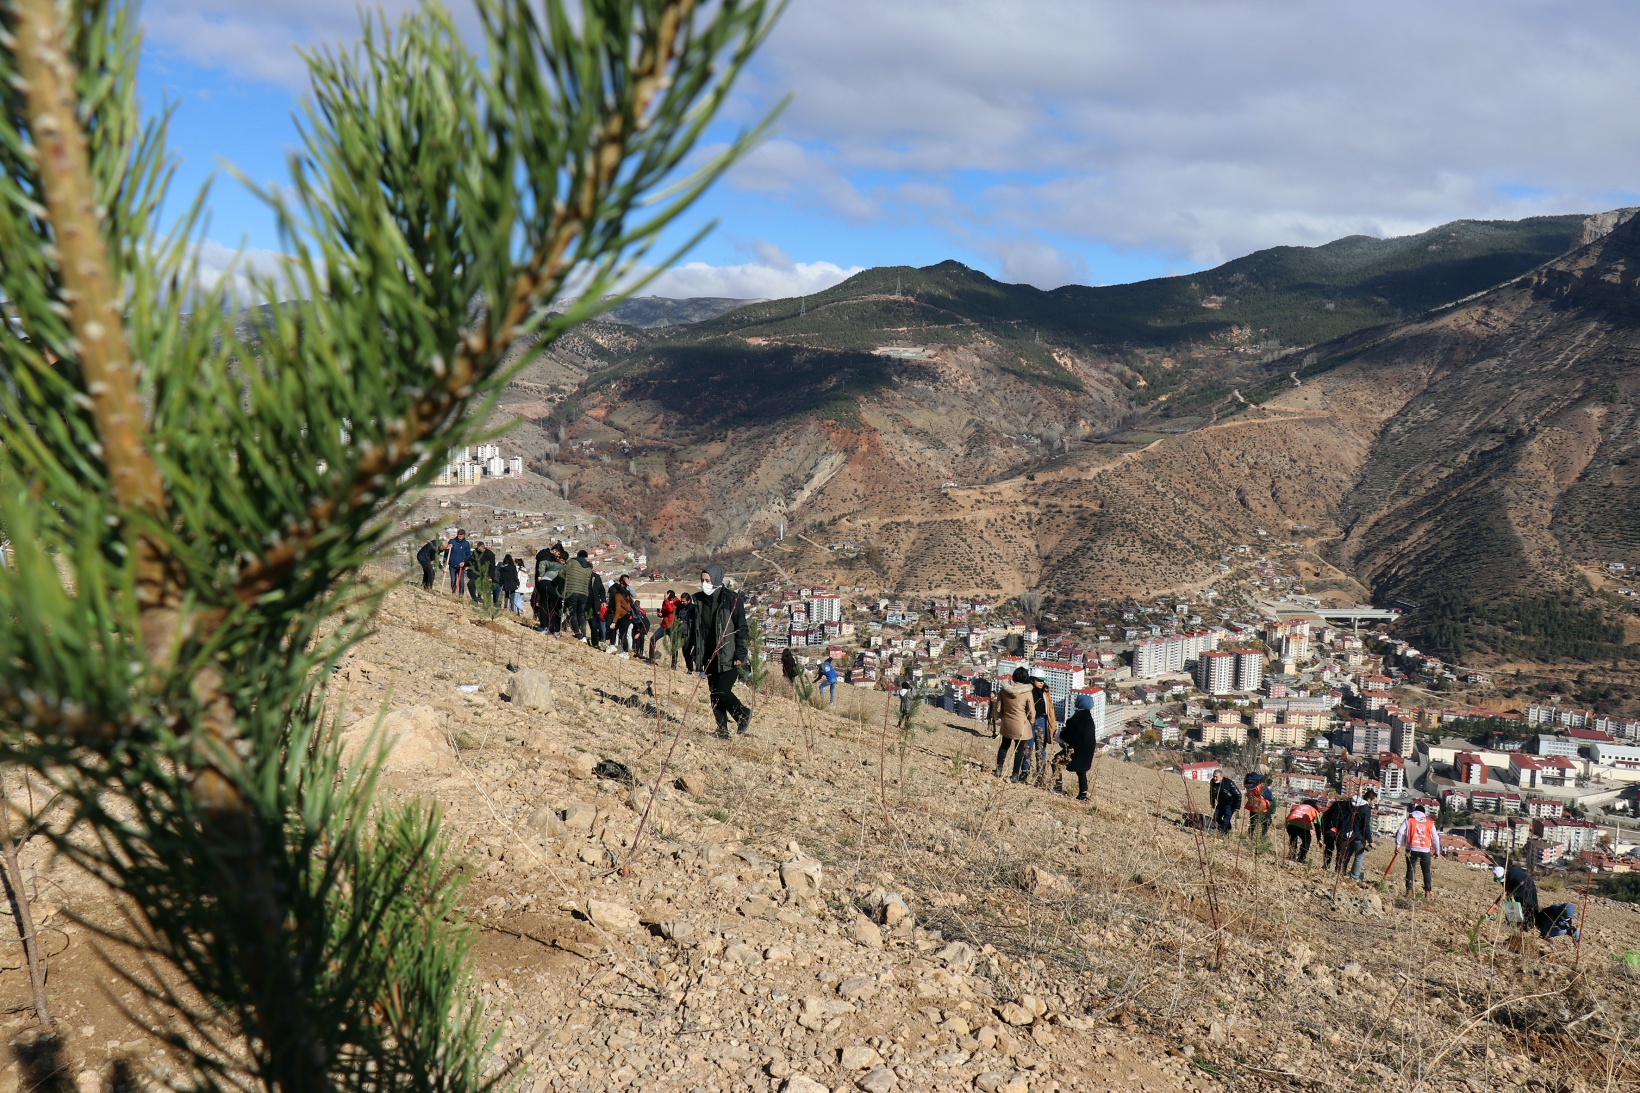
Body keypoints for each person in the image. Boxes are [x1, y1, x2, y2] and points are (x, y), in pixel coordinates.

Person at [690, 563, 751, 737]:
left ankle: (742, 714)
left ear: (717, 579)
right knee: (714, 693)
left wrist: (740, 653)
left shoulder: (732, 600)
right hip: (710, 655)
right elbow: (697, 630)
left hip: (730, 654)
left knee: (723, 691)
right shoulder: (699, 601)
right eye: (702, 580)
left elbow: (742, 629)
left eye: (707, 580)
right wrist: (696, 651)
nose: (704, 584)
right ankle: (722, 730)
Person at [989, 667, 1035, 778]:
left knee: (1004, 746)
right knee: (1019, 750)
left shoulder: (1004, 689)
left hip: (1007, 722)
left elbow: (998, 708)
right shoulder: (1027, 692)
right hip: (1022, 725)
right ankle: (1015, 775)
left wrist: (1003, 717)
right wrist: (1031, 722)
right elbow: (1031, 711)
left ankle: (999, 769)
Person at [1056, 692, 1099, 800]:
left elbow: (1068, 735)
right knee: (1081, 771)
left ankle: (1058, 786)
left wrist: (1061, 735)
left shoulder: (1076, 718)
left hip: (1076, 751)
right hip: (1087, 752)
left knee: (1056, 761)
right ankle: (1083, 794)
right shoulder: (1089, 719)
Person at [1395, 804, 1441, 899]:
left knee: (1410, 869)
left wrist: (1398, 845)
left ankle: (1409, 891)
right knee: (1426, 871)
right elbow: (1435, 838)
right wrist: (1437, 851)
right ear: (1423, 813)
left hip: (1411, 848)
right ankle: (1427, 894)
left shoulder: (1409, 820)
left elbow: (1400, 831)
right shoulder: (1430, 823)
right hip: (1425, 849)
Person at [1021, 669, 1057, 784]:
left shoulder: (1045, 692)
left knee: (1041, 749)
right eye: (1039, 680)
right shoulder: (1027, 691)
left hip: (1042, 720)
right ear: (1032, 680)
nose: (1042, 683)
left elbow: (1050, 708)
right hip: (1029, 722)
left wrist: (1052, 724)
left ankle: (1040, 775)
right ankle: (1025, 772)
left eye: (1043, 680)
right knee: (1028, 748)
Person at [1340, 789, 1377, 881]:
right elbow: (1366, 826)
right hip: (1358, 836)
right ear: (1369, 799)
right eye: (1374, 801)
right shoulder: (1366, 809)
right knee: (1359, 855)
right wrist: (1370, 841)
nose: (1374, 803)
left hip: (1349, 833)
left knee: (1347, 854)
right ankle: (1355, 876)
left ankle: (1341, 872)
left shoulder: (1355, 806)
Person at [560, 548, 594, 640]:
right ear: (586, 557)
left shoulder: (571, 562)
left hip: (572, 591)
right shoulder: (589, 568)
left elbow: (561, 573)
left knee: (573, 614)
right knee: (581, 614)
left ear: (577, 555)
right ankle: (584, 635)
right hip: (583, 593)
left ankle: (577, 633)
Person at [1284, 797, 1321, 864]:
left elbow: (1290, 815)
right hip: (1302, 825)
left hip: (1290, 824)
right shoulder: (1315, 811)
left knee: (1293, 839)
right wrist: (1319, 839)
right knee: (1307, 841)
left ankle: (1291, 855)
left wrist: (1286, 825)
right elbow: (1317, 826)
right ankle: (1301, 857)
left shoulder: (1297, 806)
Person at [1319, 796, 1351, 871]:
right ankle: (1338, 869)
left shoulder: (1336, 804)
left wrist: (1324, 830)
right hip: (1341, 831)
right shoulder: (1350, 809)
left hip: (1330, 829)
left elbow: (1324, 817)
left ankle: (1326, 866)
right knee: (1340, 851)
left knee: (1329, 848)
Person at [650, 590, 679, 663]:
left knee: (674, 645)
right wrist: (660, 614)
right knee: (653, 639)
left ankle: (674, 663)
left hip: (672, 626)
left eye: (668, 598)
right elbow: (664, 613)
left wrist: (666, 600)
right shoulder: (665, 601)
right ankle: (651, 658)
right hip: (664, 625)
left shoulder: (677, 602)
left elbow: (670, 609)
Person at [1244, 772, 1275, 840]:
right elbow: (1269, 796)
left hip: (1252, 806)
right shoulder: (1260, 785)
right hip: (1262, 807)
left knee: (1253, 823)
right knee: (1267, 822)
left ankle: (1250, 837)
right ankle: (1262, 838)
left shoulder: (1248, 783)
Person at [610, 575, 635, 652]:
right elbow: (631, 601)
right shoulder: (626, 594)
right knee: (623, 633)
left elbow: (618, 610)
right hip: (628, 615)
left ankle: (624, 651)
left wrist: (614, 622)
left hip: (624, 615)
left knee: (622, 634)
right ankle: (623, 650)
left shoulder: (617, 596)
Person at [446, 529, 472, 594]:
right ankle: (453, 593)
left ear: (464, 535)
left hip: (461, 566)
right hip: (452, 564)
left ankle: (461, 595)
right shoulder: (452, 541)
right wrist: (448, 548)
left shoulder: (466, 544)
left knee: (461, 581)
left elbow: (468, 555)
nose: (459, 537)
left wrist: (465, 563)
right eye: (458, 535)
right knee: (453, 580)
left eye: (461, 536)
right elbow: (446, 552)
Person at [588, 568, 608, 646]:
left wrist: (603, 601)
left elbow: (602, 590)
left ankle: (595, 643)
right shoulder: (580, 577)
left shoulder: (596, 577)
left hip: (594, 605)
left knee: (594, 626)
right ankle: (582, 638)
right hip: (583, 603)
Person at [677, 592, 696, 672]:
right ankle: (690, 669)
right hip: (684, 633)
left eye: (683, 601)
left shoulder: (693, 609)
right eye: (681, 601)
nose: (682, 603)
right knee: (685, 651)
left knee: (694, 653)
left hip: (692, 633)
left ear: (689, 601)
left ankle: (701, 669)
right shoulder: (681, 608)